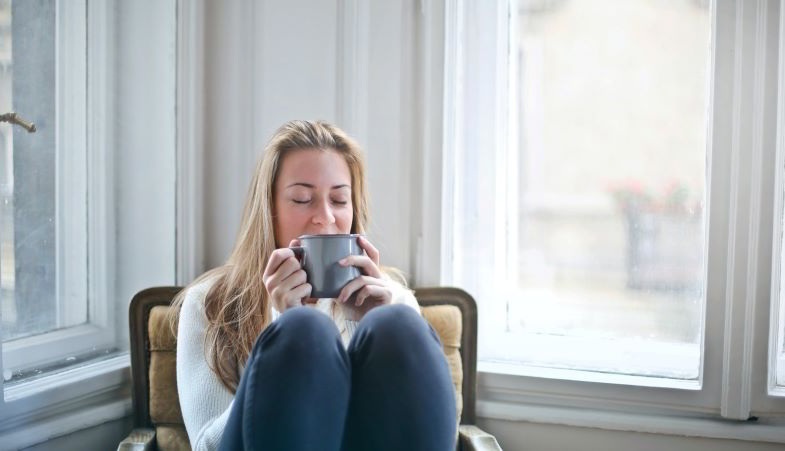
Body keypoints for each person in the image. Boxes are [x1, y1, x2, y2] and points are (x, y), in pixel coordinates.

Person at [171, 120, 457, 451]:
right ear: (270, 210)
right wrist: (282, 323)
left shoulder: (391, 297)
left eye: (338, 200)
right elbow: (206, 446)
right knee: (303, 329)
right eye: (303, 199)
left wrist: (364, 324)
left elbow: (426, 430)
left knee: (398, 322)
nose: (324, 216)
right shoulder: (209, 302)